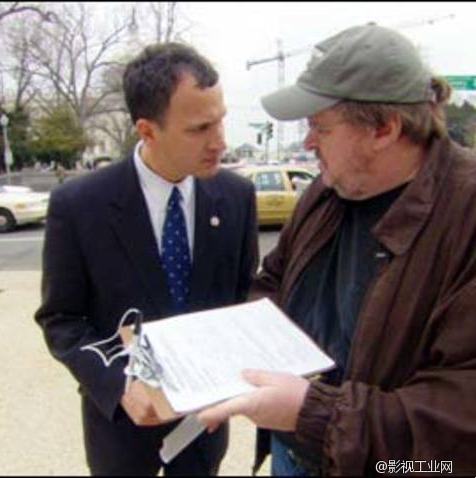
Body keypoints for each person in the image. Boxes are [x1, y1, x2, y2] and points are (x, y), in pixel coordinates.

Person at [197, 23, 476, 475]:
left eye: (319, 127)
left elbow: (459, 422)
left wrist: (314, 413)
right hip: (296, 450)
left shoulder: (465, 215)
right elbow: (273, 281)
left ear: (384, 128)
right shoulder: (327, 191)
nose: (307, 143)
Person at [34, 42, 259, 475]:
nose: (220, 142)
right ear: (147, 130)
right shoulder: (80, 204)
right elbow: (61, 319)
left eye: (220, 120)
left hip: (203, 427)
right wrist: (118, 385)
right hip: (120, 432)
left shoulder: (236, 197)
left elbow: (238, 301)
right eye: (199, 129)